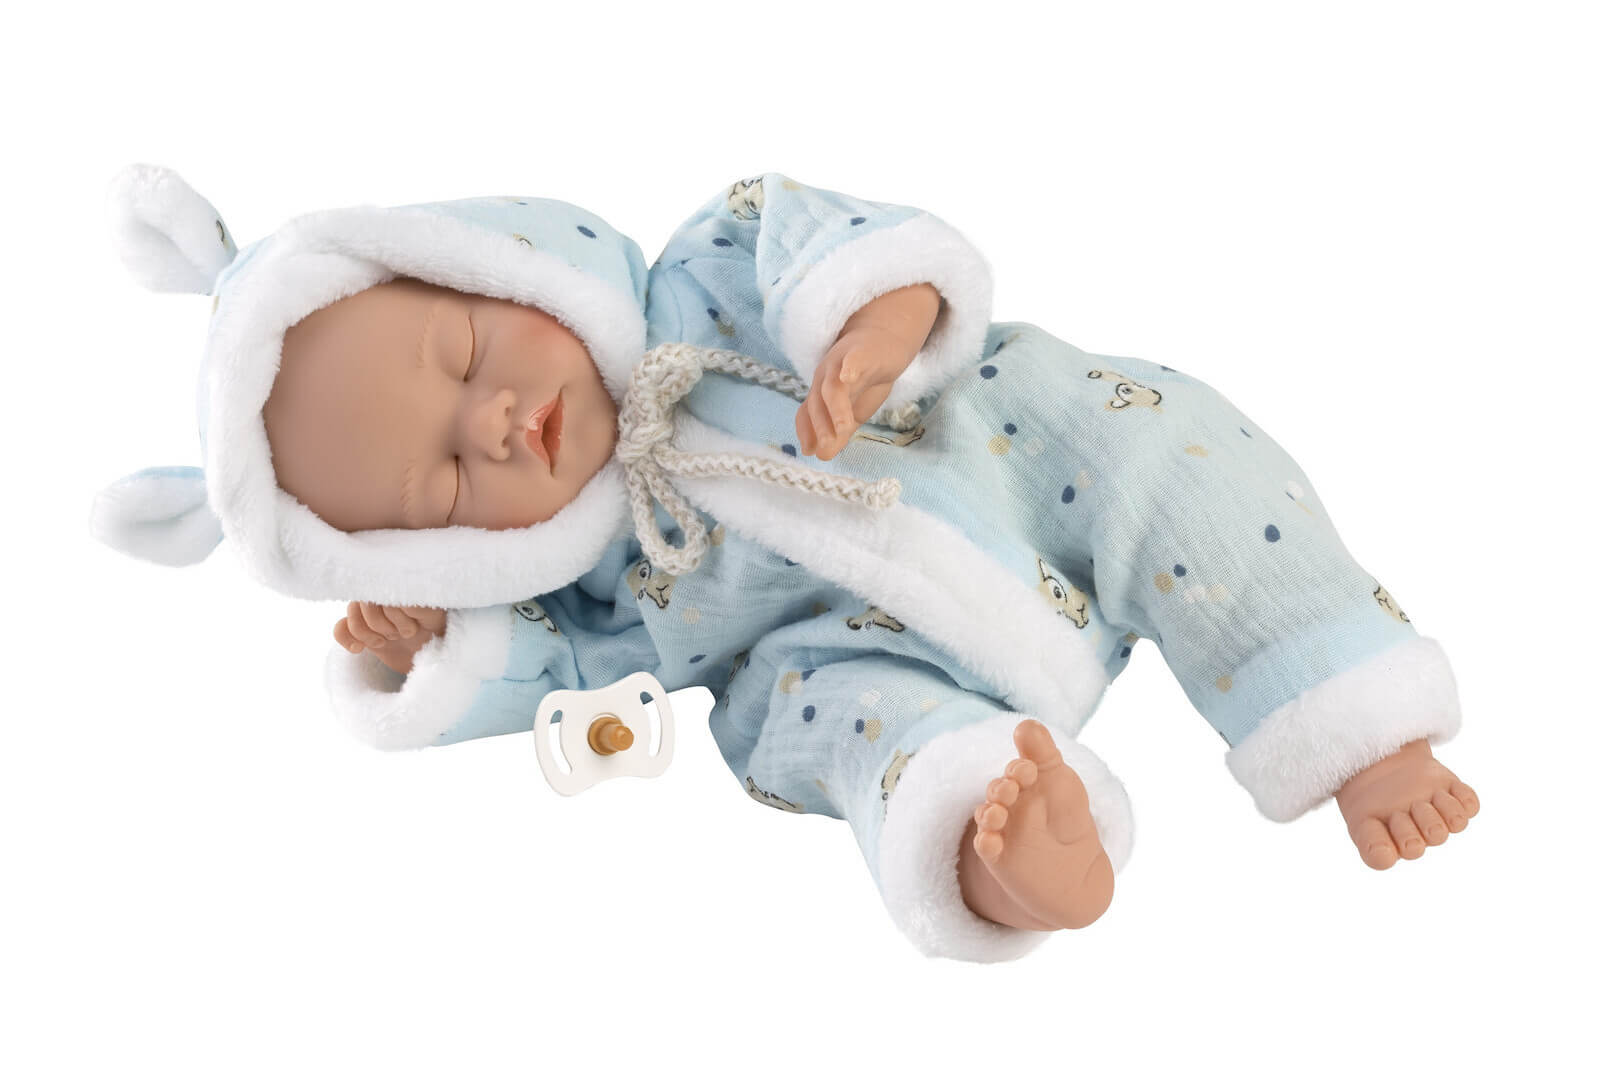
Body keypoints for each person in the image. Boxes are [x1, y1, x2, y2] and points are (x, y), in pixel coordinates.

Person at [93, 167, 1477, 962]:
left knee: (1174, 456)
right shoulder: (582, 584)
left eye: (462, 356)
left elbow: (847, 246)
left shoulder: (711, 267)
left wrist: (868, 329)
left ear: (498, 269)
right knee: (823, 728)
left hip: (1011, 450)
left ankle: (1350, 720)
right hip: (827, 650)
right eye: (447, 481)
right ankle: (992, 840)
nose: (496, 421)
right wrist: (431, 644)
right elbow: (566, 678)